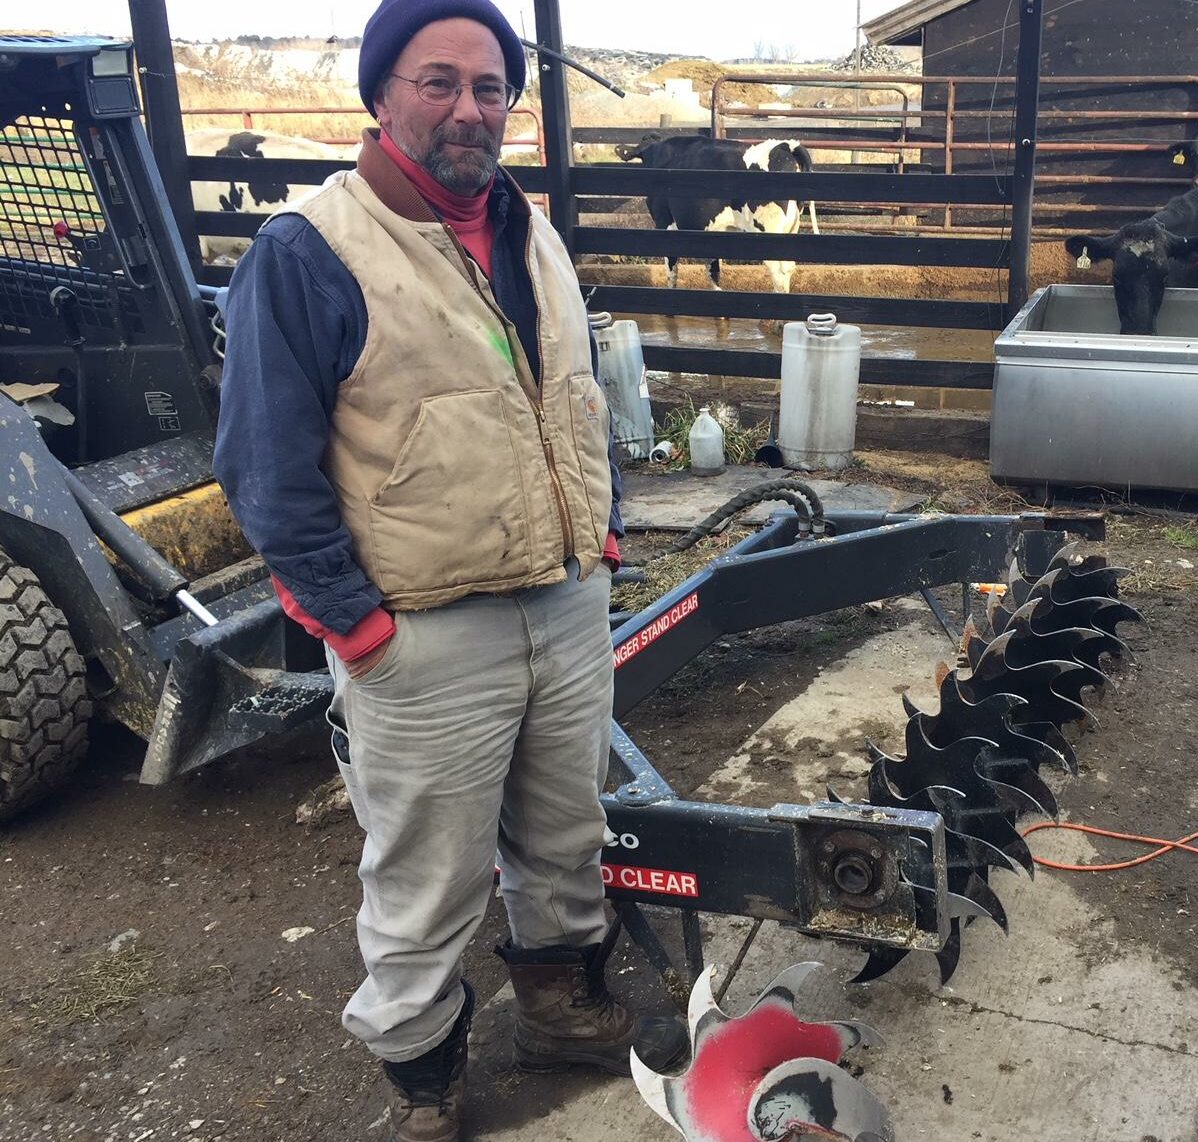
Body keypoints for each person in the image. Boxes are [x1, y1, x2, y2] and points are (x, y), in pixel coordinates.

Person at [213, 2, 686, 1138]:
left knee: (567, 829)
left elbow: (581, 404)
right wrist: (356, 626)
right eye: (438, 82)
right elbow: (265, 465)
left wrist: (606, 532)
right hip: (424, 629)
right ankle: (425, 1080)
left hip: (565, 601)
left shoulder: (536, 233)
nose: (468, 108)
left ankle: (561, 1006)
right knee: (428, 876)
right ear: (380, 96)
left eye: (491, 88)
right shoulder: (310, 250)